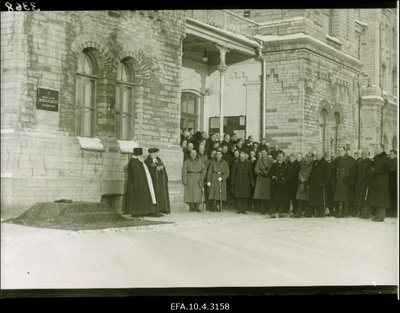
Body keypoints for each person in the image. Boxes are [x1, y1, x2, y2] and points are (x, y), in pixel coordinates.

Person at [125, 147, 157, 217]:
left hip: (138, 183)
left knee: (138, 199)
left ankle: (138, 212)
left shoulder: (137, 161)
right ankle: (135, 213)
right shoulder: (134, 162)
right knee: (136, 199)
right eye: (141, 154)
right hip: (136, 184)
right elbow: (137, 174)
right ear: (139, 155)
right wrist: (140, 184)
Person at [368, 144, 391, 222]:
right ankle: (377, 215)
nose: (376, 149)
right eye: (376, 148)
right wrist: (371, 171)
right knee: (377, 199)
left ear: (382, 149)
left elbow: (387, 170)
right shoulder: (376, 158)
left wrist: (375, 170)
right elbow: (372, 167)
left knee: (382, 199)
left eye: (377, 148)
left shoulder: (385, 158)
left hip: (382, 183)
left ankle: (381, 216)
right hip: (376, 182)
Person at [144, 148, 171, 215]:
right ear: (150, 154)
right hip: (153, 182)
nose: (156, 154)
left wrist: (162, 169)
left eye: (156, 153)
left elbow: (163, 169)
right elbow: (148, 171)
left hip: (160, 182)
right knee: (154, 194)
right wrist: (156, 169)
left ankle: (161, 208)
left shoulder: (159, 160)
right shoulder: (147, 161)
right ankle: (153, 210)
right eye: (154, 153)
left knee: (161, 194)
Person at [268, 152, 292, 218]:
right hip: (275, 184)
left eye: (281, 156)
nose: (280, 158)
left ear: (283, 157)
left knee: (281, 199)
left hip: (283, 185)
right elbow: (269, 174)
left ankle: (281, 212)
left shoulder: (287, 166)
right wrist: (274, 177)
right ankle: (273, 212)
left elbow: (290, 175)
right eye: (279, 156)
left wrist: (284, 179)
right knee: (274, 198)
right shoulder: (273, 165)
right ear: (277, 157)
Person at [308, 152, 331, 218]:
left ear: (322, 155)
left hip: (321, 185)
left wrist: (324, 183)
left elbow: (328, 175)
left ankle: (322, 212)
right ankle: (317, 212)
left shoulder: (325, 164)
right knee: (315, 199)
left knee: (321, 199)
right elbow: (312, 173)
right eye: (316, 155)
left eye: (318, 155)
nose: (316, 156)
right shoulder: (315, 163)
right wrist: (309, 182)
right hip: (314, 185)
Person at [332, 146, 353, 217]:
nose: (340, 152)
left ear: (345, 151)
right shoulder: (337, 159)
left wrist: (349, 181)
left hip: (345, 181)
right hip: (338, 181)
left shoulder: (349, 159)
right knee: (338, 198)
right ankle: (338, 212)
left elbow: (352, 171)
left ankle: (345, 212)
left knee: (345, 198)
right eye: (339, 151)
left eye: (341, 151)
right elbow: (334, 171)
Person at [353, 150, 373, 219]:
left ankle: (366, 213)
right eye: (362, 154)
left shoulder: (370, 162)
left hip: (366, 182)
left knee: (366, 198)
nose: (363, 155)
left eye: (364, 154)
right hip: (359, 182)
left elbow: (371, 172)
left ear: (367, 154)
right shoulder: (359, 162)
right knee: (360, 198)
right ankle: (360, 212)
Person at [294, 153, 313, 218]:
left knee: (308, 199)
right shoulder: (303, 165)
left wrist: (305, 179)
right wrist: (301, 177)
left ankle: (308, 213)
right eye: (307, 157)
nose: (308, 158)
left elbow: (310, 173)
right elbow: (300, 172)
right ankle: (298, 213)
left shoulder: (312, 165)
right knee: (300, 198)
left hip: (307, 183)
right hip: (301, 183)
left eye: (309, 157)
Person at [388, 150, 397, 217]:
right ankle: (390, 212)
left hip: (394, 182)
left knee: (393, 198)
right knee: (390, 198)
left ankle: (394, 213)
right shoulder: (390, 161)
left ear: (395, 155)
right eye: (390, 154)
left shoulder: (396, 161)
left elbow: (393, 169)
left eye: (391, 154)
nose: (390, 155)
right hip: (389, 182)